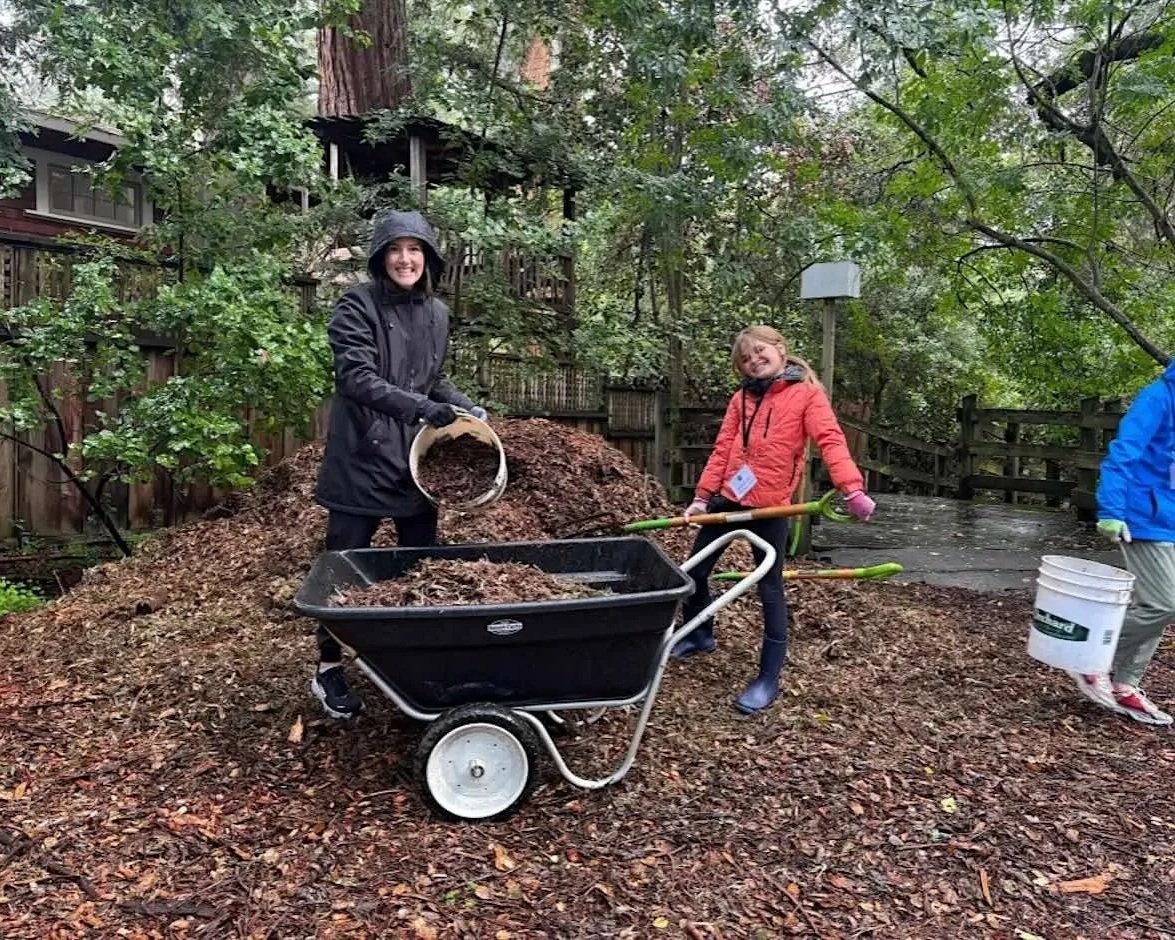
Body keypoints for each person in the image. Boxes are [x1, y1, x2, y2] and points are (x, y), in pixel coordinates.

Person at [311, 210, 487, 719]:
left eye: (414, 250)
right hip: (361, 460)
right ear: (380, 257)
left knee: (419, 566)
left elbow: (431, 380)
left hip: (415, 464)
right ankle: (328, 669)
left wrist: (464, 408)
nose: (405, 259)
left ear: (428, 258)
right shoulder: (356, 306)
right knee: (343, 571)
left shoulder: (437, 313)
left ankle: (411, 664)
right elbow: (356, 379)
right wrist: (421, 408)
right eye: (395, 250)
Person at [672, 325, 875, 714]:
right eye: (745, 359)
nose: (754, 361)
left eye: (760, 351)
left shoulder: (807, 395)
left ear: (781, 350)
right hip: (728, 502)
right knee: (693, 573)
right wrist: (701, 497)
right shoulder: (740, 400)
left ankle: (768, 678)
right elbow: (722, 448)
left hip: (771, 509)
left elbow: (831, 439)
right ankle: (700, 635)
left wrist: (851, 489)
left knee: (770, 591)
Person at [1072, 360, 1175, 726]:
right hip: (1141, 517)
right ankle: (1090, 657)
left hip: (1169, 517)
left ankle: (1126, 683)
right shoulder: (1159, 396)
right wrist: (1111, 509)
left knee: (1156, 605)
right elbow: (1123, 454)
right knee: (1164, 603)